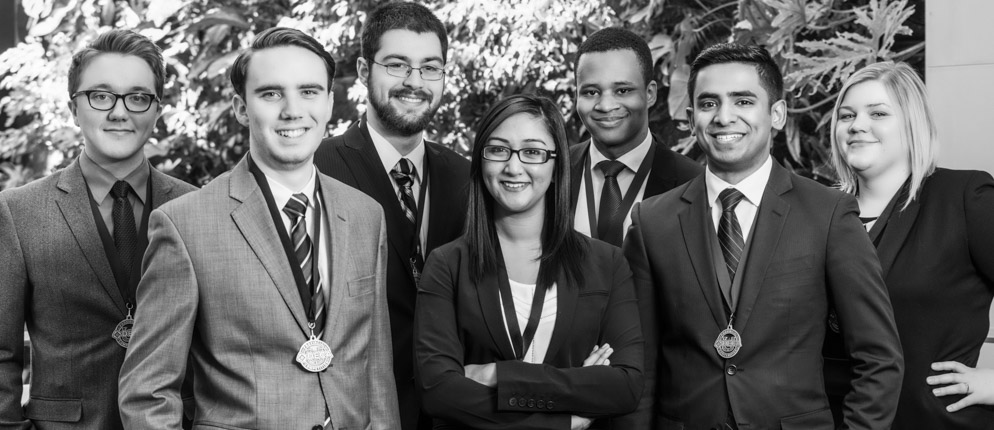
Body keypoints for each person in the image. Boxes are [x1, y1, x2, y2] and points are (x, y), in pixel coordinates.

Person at [117, 27, 400, 429]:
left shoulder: (366, 215)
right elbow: (147, 392)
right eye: (271, 94)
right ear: (240, 108)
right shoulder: (184, 226)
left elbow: (377, 368)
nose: (292, 110)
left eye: (309, 91)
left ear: (330, 102)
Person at [622, 43, 904, 429]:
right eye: (708, 104)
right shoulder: (652, 222)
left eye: (742, 101)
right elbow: (641, 366)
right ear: (690, 118)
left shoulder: (828, 215)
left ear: (776, 114)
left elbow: (879, 359)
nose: (724, 117)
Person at [0, 29, 196, 429]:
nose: (120, 112)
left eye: (138, 97)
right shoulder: (17, 211)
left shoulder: (196, 207)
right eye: (101, 96)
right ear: (74, 108)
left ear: (157, 109)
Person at [415, 94, 643, 429]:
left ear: (556, 164)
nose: (513, 166)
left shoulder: (606, 263)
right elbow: (439, 391)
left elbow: (625, 387)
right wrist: (565, 420)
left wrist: (498, 375)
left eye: (533, 152)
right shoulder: (447, 265)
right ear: (481, 160)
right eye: (498, 149)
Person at [313, 3, 469, 429]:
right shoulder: (317, 168)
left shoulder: (467, 176)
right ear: (364, 70)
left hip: (454, 413)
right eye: (397, 65)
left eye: (430, 68)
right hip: (355, 413)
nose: (414, 82)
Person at [822, 61, 994, 429]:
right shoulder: (815, 212)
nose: (857, 125)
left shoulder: (964, 199)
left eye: (878, 113)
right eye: (846, 115)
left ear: (912, 123)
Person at [570, 27, 701, 247]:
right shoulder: (553, 172)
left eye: (622, 91)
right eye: (591, 92)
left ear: (650, 94)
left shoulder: (695, 184)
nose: (606, 105)